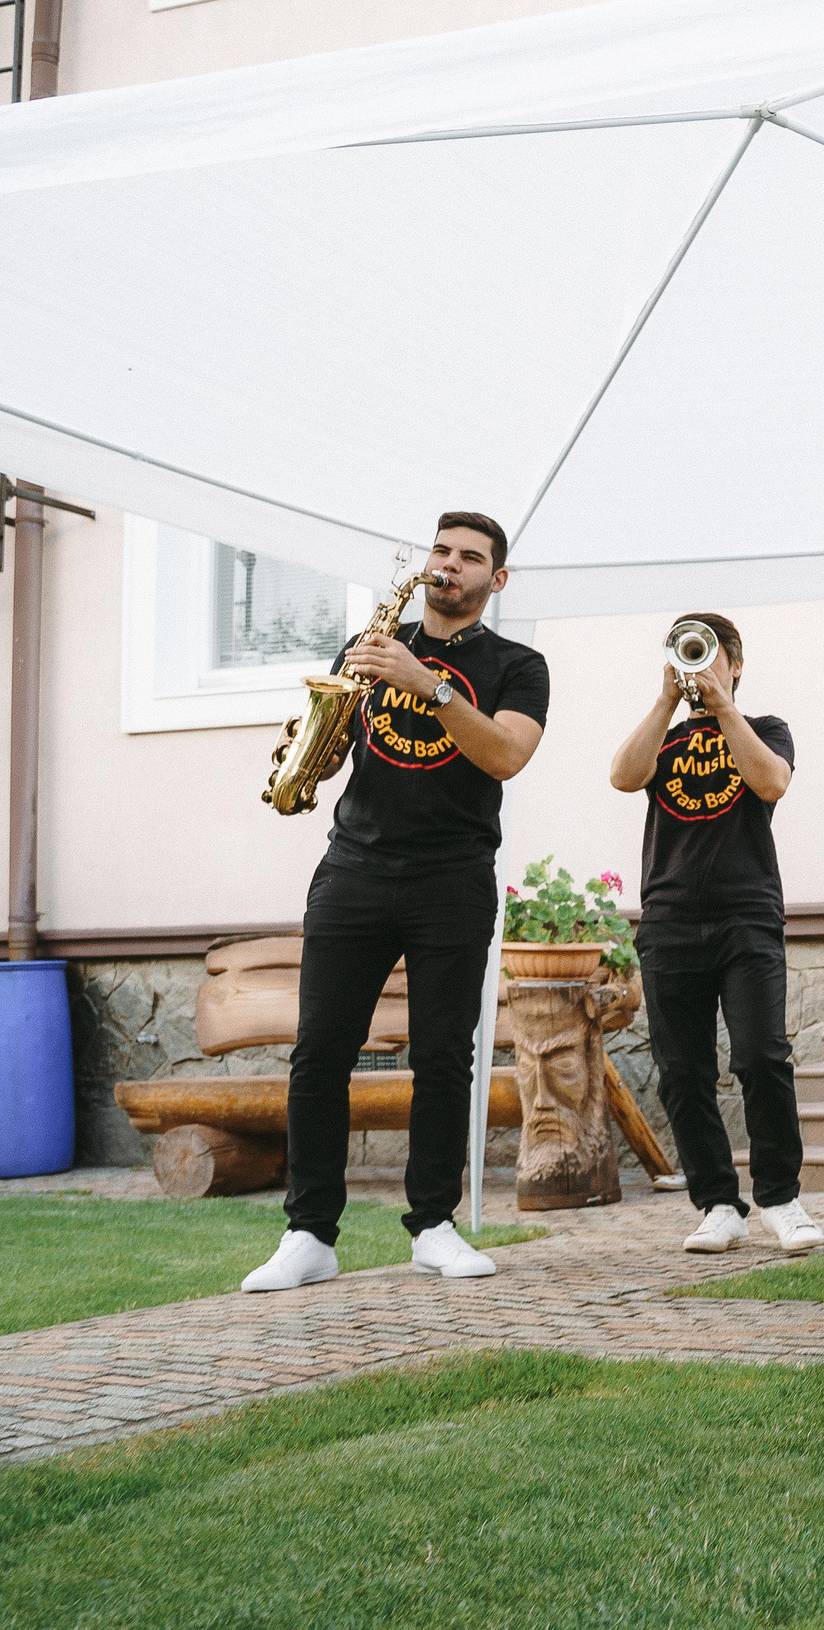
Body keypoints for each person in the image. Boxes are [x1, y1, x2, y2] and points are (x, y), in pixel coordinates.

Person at [244, 513, 549, 1293]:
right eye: (441, 552)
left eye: (469, 558)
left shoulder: (519, 664)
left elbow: (505, 753)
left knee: (443, 1055)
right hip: (355, 868)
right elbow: (339, 739)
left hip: (452, 875)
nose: (448, 566)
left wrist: (428, 683)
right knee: (319, 1052)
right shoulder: (370, 645)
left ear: (496, 579)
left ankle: (433, 1226)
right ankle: (309, 1233)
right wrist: (315, 746)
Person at [603, 613, 824, 1257]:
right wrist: (668, 696)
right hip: (668, 919)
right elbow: (622, 774)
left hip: (746, 914)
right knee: (682, 1071)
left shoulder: (767, 729)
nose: (699, 666)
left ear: (735, 663)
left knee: (761, 1057)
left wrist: (723, 707)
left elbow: (770, 781)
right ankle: (718, 1204)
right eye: (687, 654)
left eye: (710, 655)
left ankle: (780, 1198)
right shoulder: (665, 735)